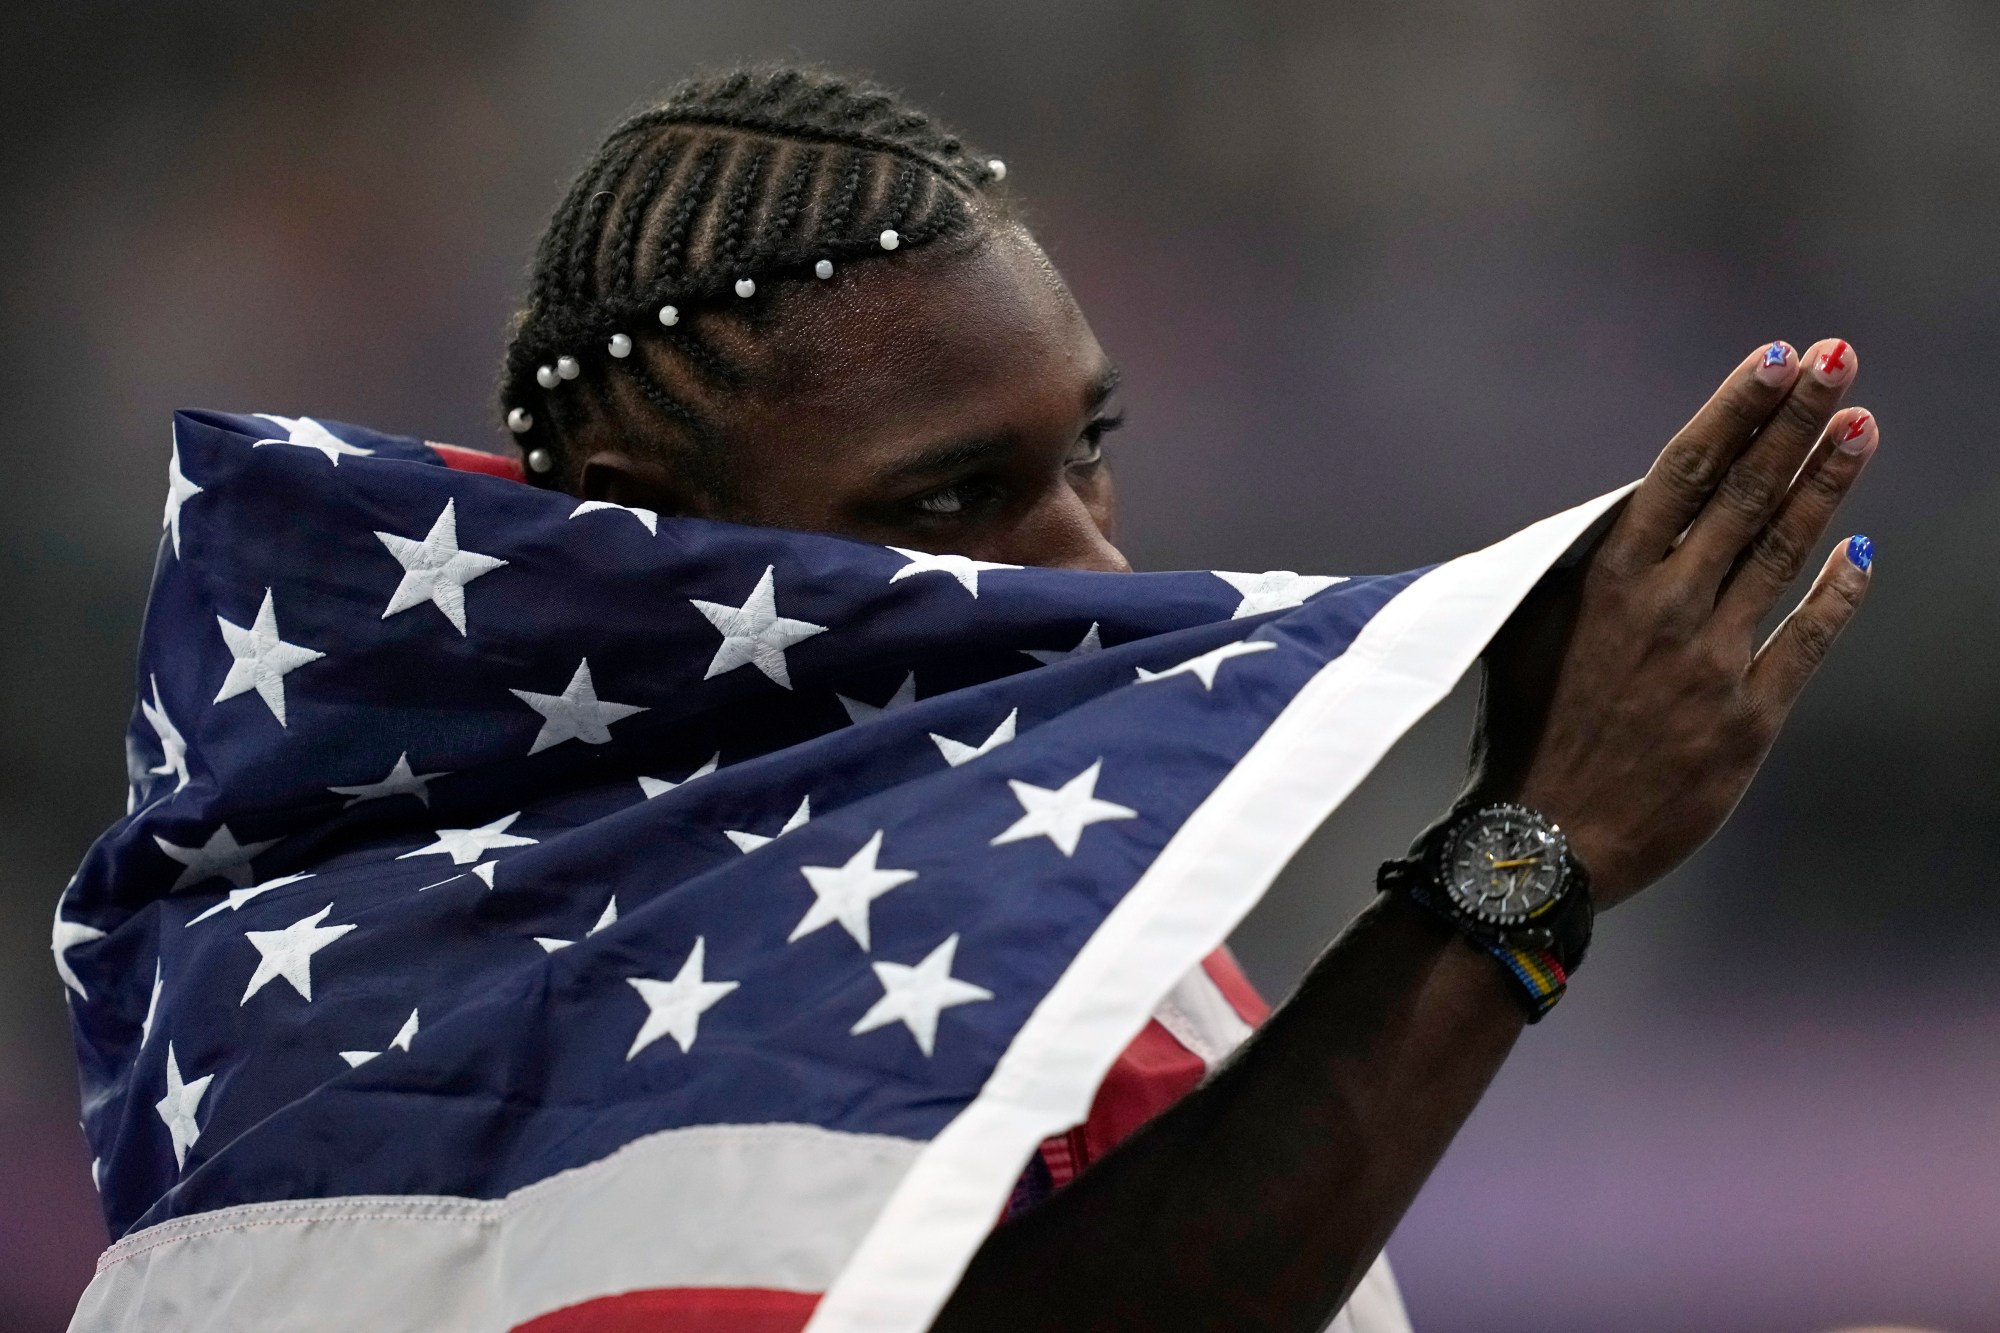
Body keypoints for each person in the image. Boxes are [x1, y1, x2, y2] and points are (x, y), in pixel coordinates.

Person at [488, 65, 1879, 1331]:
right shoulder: (571, 1014)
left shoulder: (1057, 904)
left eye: (1087, 449)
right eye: (959, 495)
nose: (1091, 558)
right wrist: (1532, 847)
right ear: (651, 536)